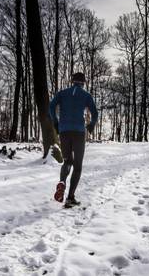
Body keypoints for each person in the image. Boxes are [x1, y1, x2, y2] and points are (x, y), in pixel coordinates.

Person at [49, 72, 98, 208]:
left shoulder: (62, 93)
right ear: (83, 82)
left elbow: (51, 106)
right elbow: (95, 113)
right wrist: (91, 124)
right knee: (77, 166)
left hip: (64, 131)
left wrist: (55, 122)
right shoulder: (86, 95)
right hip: (79, 132)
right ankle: (70, 198)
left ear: (72, 81)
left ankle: (62, 182)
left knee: (67, 161)